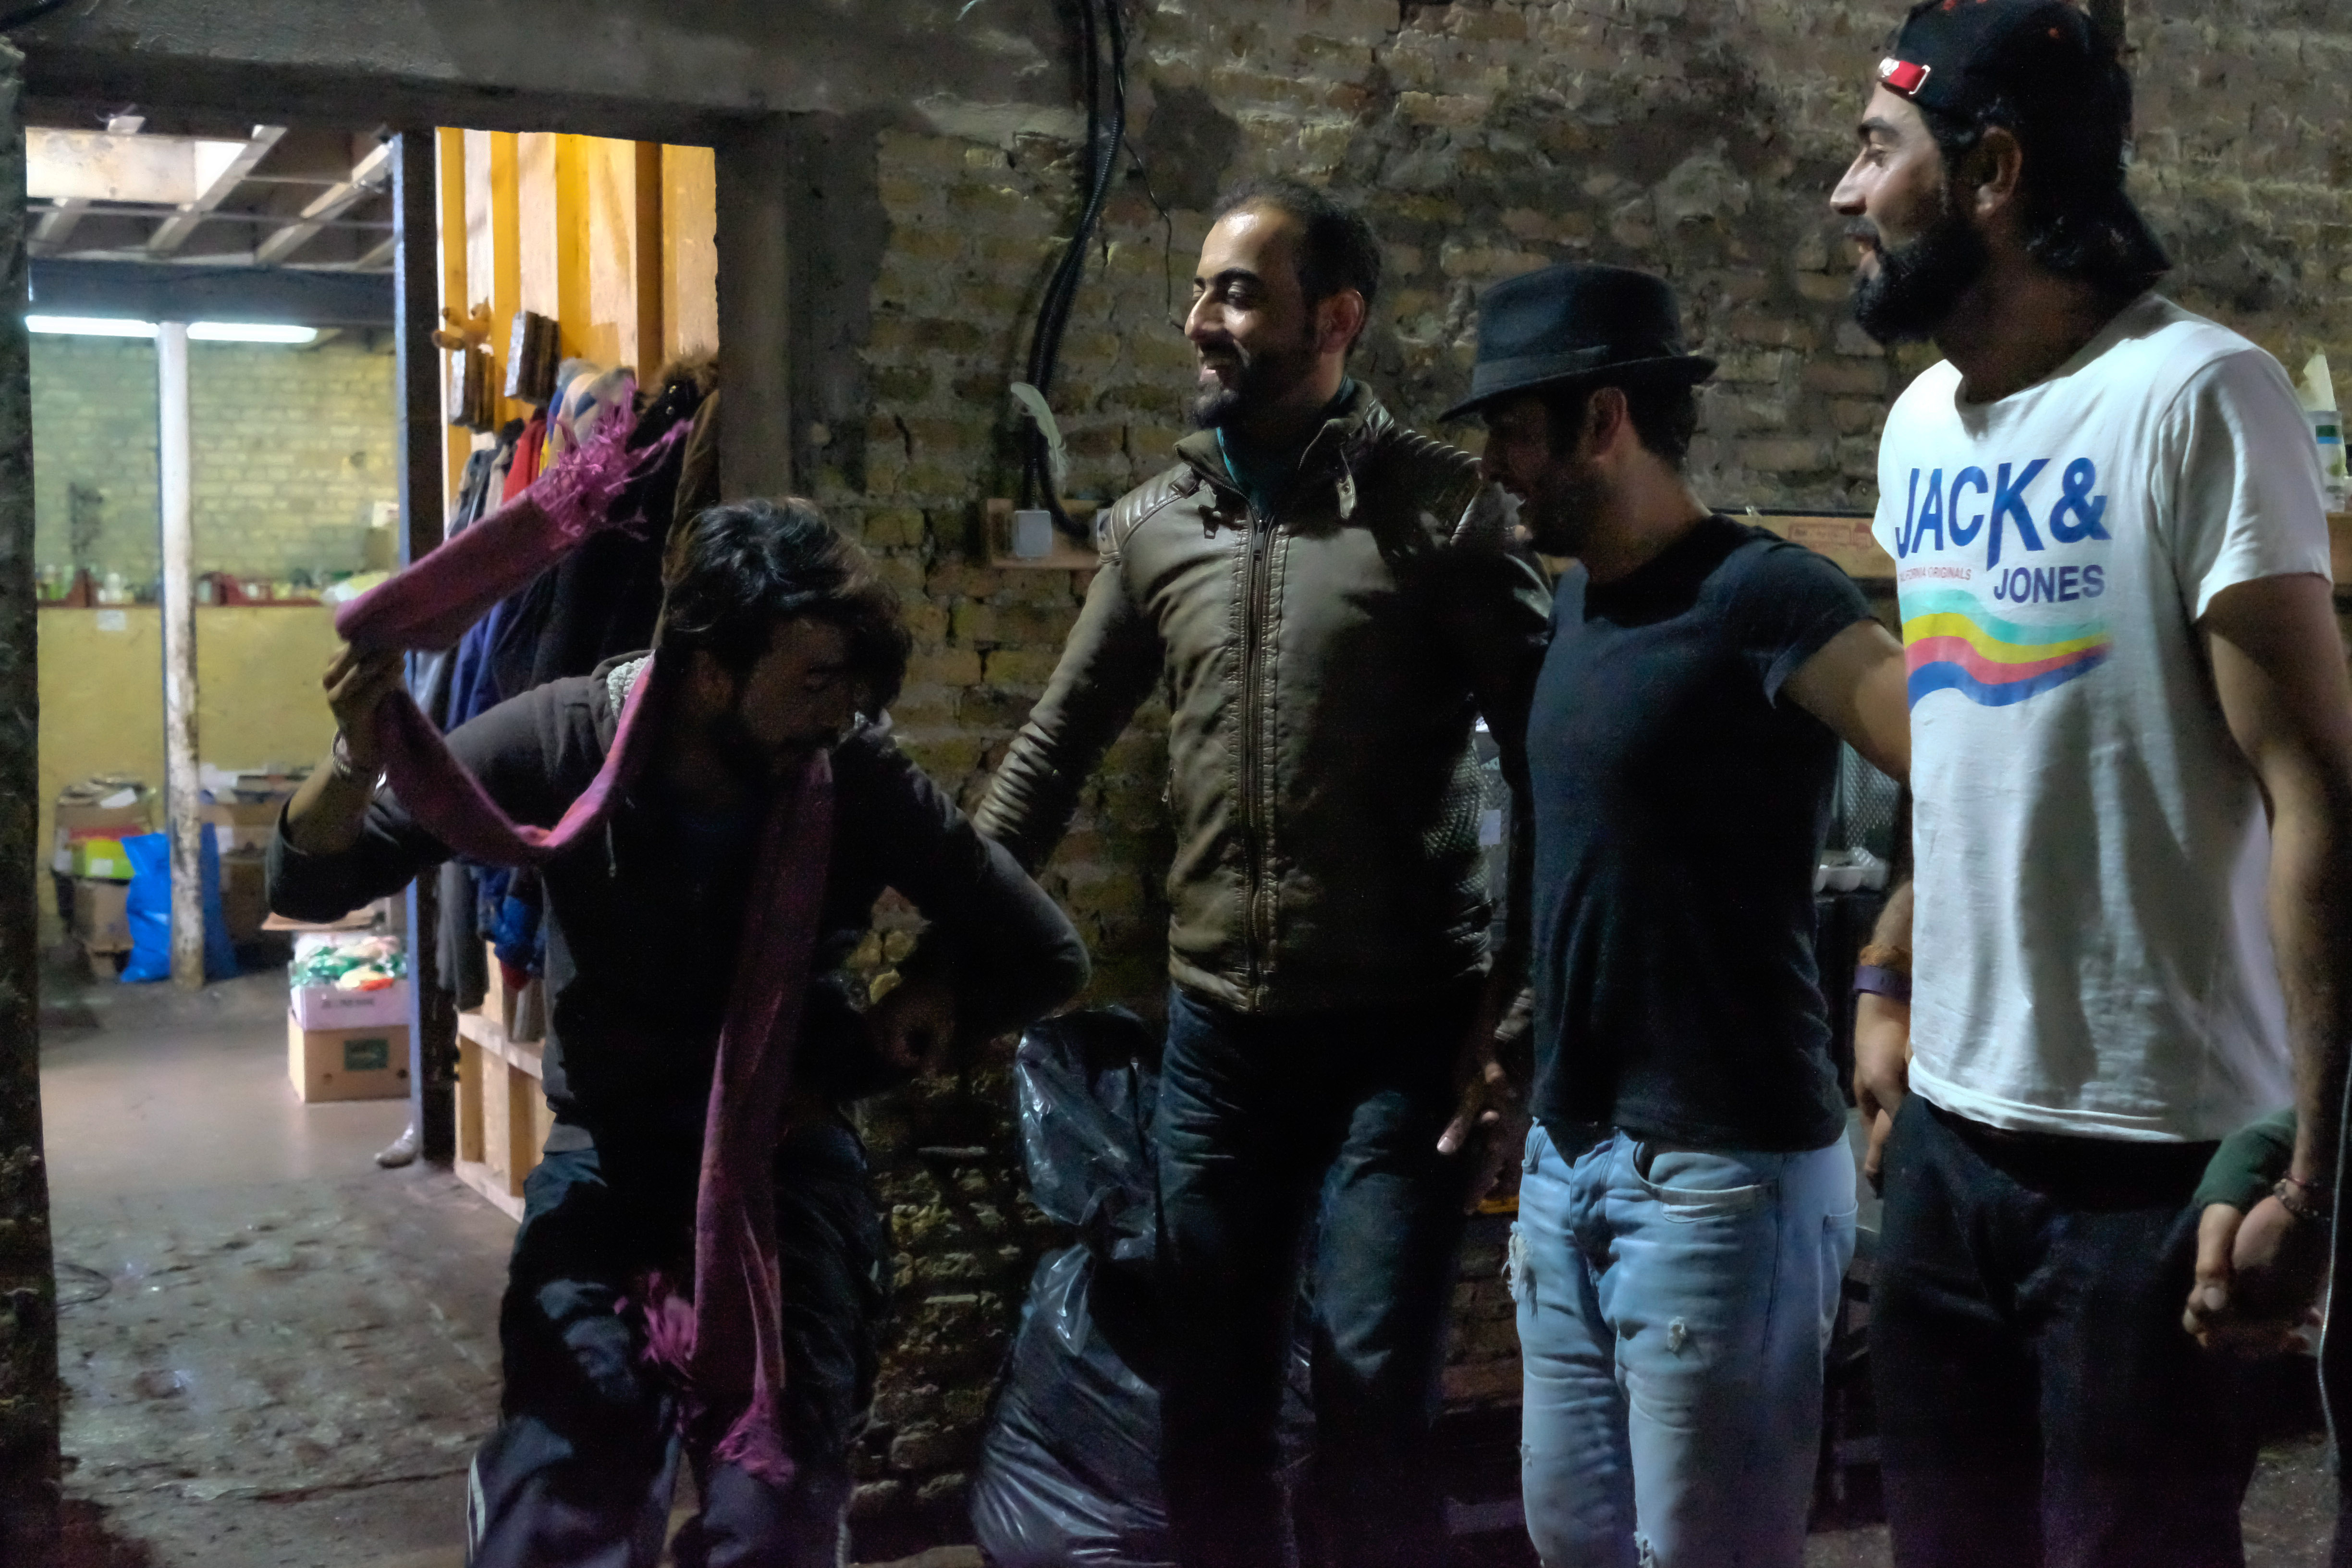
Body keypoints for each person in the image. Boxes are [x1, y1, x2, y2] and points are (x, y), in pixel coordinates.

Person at [269, 498, 1090, 1568]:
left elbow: (1044, 953)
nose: (842, 713)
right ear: (707, 673)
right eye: (814, 682)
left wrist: (923, 994)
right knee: (563, 1498)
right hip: (607, 1161)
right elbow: (316, 877)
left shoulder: (852, 776)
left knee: (776, 1516)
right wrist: (355, 750)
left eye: (856, 686)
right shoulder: (565, 739)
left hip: (779, 1161)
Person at [1831, 2, 2352, 1562]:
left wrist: (2309, 1184)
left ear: (1989, 170)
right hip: (1948, 1147)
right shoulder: (1919, 427)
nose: (1842, 194)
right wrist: (1887, 978)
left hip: (2148, 1164)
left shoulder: (2199, 398)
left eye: (1875, 150)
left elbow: (2317, 801)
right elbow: (1983, 751)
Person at [972, 177, 1552, 1568]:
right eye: (1201, 290)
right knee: (1211, 1408)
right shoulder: (1158, 525)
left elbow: (1556, 776)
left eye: (1237, 292)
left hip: (1401, 1041)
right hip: (1219, 1048)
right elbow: (1050, 751)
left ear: (1336, 319)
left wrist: (1508, 1020)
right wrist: (949, 941)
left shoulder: (1442, 520)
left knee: (1367, 1400)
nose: (1201, 321)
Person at [1458, 261, 1911, 1568]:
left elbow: (1962, 761)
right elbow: (1590, 866)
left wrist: (1887, 968)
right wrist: (1520, 1041)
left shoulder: (1765, 596)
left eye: (1515, 431)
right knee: (1576, 1540)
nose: (1497, 464)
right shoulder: (1584, 602)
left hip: (1724, 1176)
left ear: (1606, 420)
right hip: (1575, 1157)